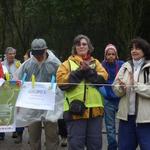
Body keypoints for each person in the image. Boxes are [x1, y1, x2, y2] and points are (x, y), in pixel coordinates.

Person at [56, 34, 108, 150]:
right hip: (74, 110)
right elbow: (61, 83)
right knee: (75, 145)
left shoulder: (96, 63)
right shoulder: (66, 64)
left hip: (96, 111)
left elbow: (103, 78)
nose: (81, 46)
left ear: (89, 46)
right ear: (75, 47)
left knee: (95, 145)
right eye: (78, 44)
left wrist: (89, 71)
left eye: (84, 44)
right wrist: (79, 72)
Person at [16, 38, 61, 150]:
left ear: (46, 50)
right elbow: (17, 80)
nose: (38, 56)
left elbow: (62, 82)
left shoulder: (55, 64)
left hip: (50, 106)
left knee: (52, 135)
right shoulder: (27, 65)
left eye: (40, 53)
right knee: (33, 136)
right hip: (32, 106)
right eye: (35, 54)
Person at [113, 37, 150, 150]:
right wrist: (121, 88)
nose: (134, 51)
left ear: (144, 50)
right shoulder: (125, 66)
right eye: (132, 48)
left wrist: (135, 85)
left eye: (137, 48)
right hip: (126, 119)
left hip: (146, 120)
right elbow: (115, 89)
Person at [99, 44, 124, 150]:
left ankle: (123, 146)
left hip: (121, 99)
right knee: (110, 127)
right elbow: (99, 82)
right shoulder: (101, 65)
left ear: (116, 55)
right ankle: (112, 147)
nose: (111, 56)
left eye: (113, 54)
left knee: (123, 125)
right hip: (108, 99)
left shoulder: (122, 64)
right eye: (108, 54)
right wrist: (105, 94)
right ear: (105, 55)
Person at [1, 47, 23, 143]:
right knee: (3, 111)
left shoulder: (19, 64)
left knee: (18, 112)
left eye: (14, 53)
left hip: (16, 90)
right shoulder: (1, 64)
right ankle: (1, 133)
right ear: (6, 54)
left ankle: (18, 133)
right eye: (10, 54)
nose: (12, 55)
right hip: (3, 91)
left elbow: (22, 75)